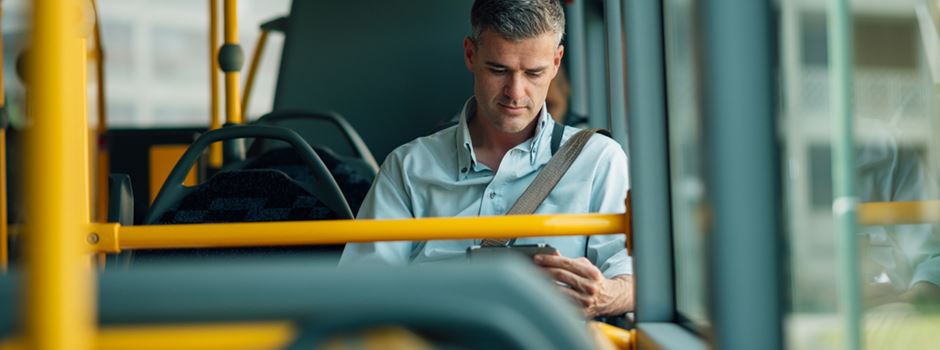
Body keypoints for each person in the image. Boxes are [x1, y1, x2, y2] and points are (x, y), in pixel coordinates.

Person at [339, 0, 633, 318]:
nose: (515, 93)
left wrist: (605, 296)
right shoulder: (408, 168)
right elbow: (360, 291)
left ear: (557, 62)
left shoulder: (599, 160)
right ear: (470, 55)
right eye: (498, 70)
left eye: (534, 73)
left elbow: (633, 279)